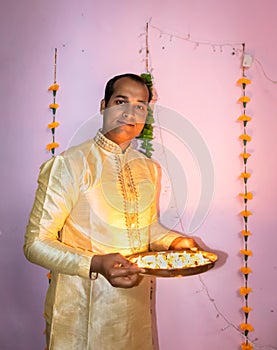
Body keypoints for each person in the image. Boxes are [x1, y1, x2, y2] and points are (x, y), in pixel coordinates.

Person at [24, 73, 198, 350]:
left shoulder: (148, 168)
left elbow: (146, 227)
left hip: (134, 305)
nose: (130, 112)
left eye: (140, 105)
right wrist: (96, 263)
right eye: (121, 101)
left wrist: (174, 242)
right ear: (103, 106)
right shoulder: (70, 165)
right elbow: (35, 244)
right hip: (82, 309)